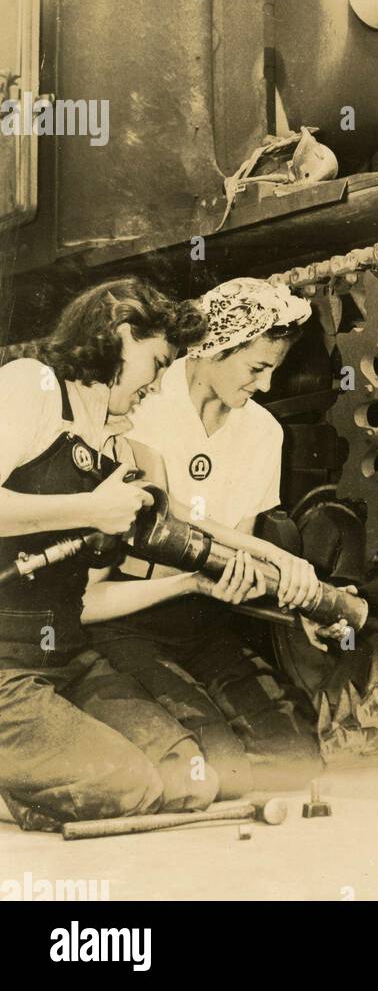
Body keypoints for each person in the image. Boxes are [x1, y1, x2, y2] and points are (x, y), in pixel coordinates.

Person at [86, 278, 328, 797]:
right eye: (256, 369)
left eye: (273, 371)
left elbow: (231, 547)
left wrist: (287, 592)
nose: (264, 387)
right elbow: (165, 519)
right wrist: (279, 561)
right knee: (218, 768)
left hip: (201, 618)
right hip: (127, 618)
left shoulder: (263, 432)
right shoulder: (142, 402)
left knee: (297, 757)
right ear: (216, 347)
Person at [0, 278, 219, 831]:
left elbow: (91, 589)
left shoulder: (111, 440)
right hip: (3, 665)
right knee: (128, 786)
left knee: (191, 778)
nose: (159, 382)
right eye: (156, 362)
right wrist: (90, 510)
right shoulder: (33, 387)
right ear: (121, 334)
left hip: (65, 655)